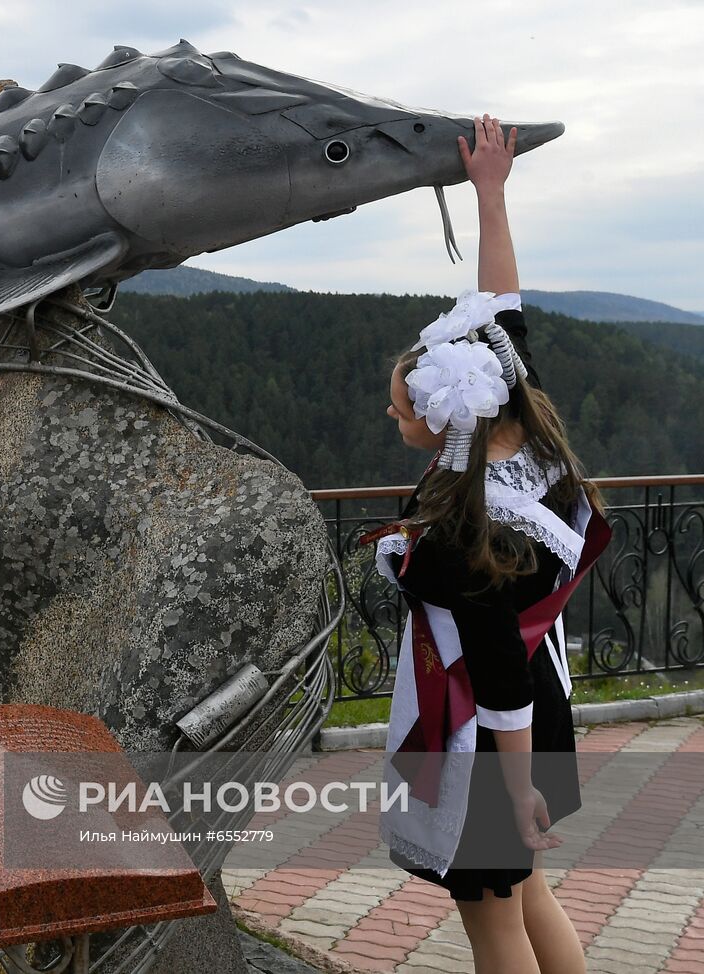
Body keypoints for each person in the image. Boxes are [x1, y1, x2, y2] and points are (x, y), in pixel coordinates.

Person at [370, 115, 606, 973]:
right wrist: (491, 195)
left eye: (401, 408)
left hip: (492, 741)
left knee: (494, 926)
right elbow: (503, 312)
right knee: (531, 894)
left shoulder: (466, 531)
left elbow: (495, 671)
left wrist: (515, 794)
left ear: (444, 420)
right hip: (544, 713)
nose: (393, 416)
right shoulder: (531, 441)